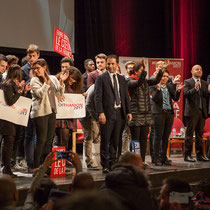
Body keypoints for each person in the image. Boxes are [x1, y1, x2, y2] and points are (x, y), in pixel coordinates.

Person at [94, 54, 132, 173]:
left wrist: (129, 111)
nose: (110, 66)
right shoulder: (101, 78)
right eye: (108, 63)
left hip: (120, 113)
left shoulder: (121, 79)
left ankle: (114, 162)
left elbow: (125, 97)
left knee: (117, 140)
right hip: (107, 113)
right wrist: (100, 112)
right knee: (106, 139)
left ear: (117, 64)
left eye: (112, 64)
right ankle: (105, 164)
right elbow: (97, 97)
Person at [30, 58, 67, 169]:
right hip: (40, 113)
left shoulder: (52, 78)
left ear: (44, 67)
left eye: (38, 68)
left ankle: (46, 166)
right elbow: (40, 94)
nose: (36, 70)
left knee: (49, 140)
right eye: (34, 68)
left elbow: (59, 94)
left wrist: (61, 83)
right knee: (41, 140)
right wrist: (46, 84)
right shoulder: (34, 81)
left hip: (52, 112)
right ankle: (36, 166)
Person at [127, 61, 163, 165]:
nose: (143, 72)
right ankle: (134, 161)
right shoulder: (130, 80)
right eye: (141, 70)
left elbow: (156, 80)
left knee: (143, 140)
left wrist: (160, 70)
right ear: (135, 71)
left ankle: (141, 161)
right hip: (136, 114)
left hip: (146, 115)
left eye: (143, 70)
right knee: (135, 141)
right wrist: (144, 71)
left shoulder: (145, 81)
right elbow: (138, 83)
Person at [0, 64, 30, 177]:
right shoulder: (7, 85)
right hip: (6, 118)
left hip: (12, 117)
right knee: (7, 142)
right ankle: (6, 168)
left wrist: (23, 91)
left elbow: (17, 99)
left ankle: (7, 167)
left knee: (10, 142)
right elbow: (11, 101)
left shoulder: (12, 84)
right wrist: (19, 91)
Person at [150, 69, 183, 166]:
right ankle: (155, 158)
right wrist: (158, 89)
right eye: (163, 76)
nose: (164, 78)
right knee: (158, 136)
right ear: (159, 76)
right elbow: (155, 99)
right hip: (158, 114)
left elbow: (175, 98)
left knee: (165, 137)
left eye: (166, 76)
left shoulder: (169, 86)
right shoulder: (154, 85)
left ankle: (163, 157)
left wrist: (178, 90)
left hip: (169, 114)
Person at [183, 65, 209, 162]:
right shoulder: (187, 82)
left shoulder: (204, 83)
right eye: (197, 69)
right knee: (189, 135)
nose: (199, 71)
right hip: (191, 112)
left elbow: (206, 97)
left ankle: (200, 155)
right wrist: (195, 89)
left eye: (201, 69)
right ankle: (187, 155)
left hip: (201, 112)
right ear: (191, 71)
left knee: (199, 135)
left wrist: (209, 91)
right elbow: (186, 94)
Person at [56, 66, 83, 151]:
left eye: (75, 80)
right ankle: (59, 160)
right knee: (62, 138)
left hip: (70, 116)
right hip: (60, 117)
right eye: (71, 78)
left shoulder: (75, 87)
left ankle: (63, 158)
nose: (73, 81)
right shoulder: (58, 83)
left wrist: (82, 97)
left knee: (67, 138)